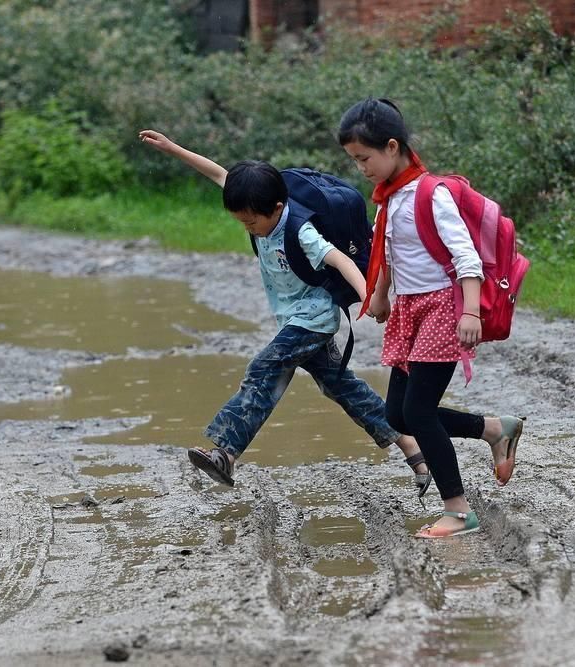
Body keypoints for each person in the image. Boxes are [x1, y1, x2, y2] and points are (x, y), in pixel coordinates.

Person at [139, 129, 432, 496]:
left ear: (276, 209)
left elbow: (340, 260)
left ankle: (227, 453)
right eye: (242, 222)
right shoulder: (257, 202)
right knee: (340, 386)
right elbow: (218, 173)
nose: (249, 229)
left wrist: (369, 296)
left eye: (251, 223)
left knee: (264, 368)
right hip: (295, 317)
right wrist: (171, 147)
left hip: (313, 319)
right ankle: (412, 446)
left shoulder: (300, 230)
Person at [337, 98, 525, 539]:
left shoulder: (432, 194)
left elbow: (466, 256)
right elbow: (390, 256)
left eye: (364, 158)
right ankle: (495, 430)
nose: (361, 168)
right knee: (397, 415)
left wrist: (472, 310)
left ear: (391, 146)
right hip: (410, 310)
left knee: (418, 411)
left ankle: (459, 512)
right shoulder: (388, 200)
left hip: (443, 309)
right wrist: (381, 297)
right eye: (354, 161)